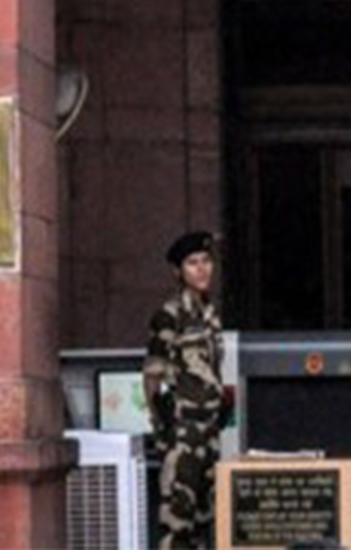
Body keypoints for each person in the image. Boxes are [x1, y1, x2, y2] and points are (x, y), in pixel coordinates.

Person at [143, 230, 224, 549]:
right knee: (177, 523)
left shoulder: (210, 314)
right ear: (178, 271)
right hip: (182, 432)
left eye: (206, 261)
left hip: (210, 431)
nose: (202, 269)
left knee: (207, 523)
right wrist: (161, 422)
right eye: (193, 263)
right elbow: (152, 375)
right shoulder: (170, 315)